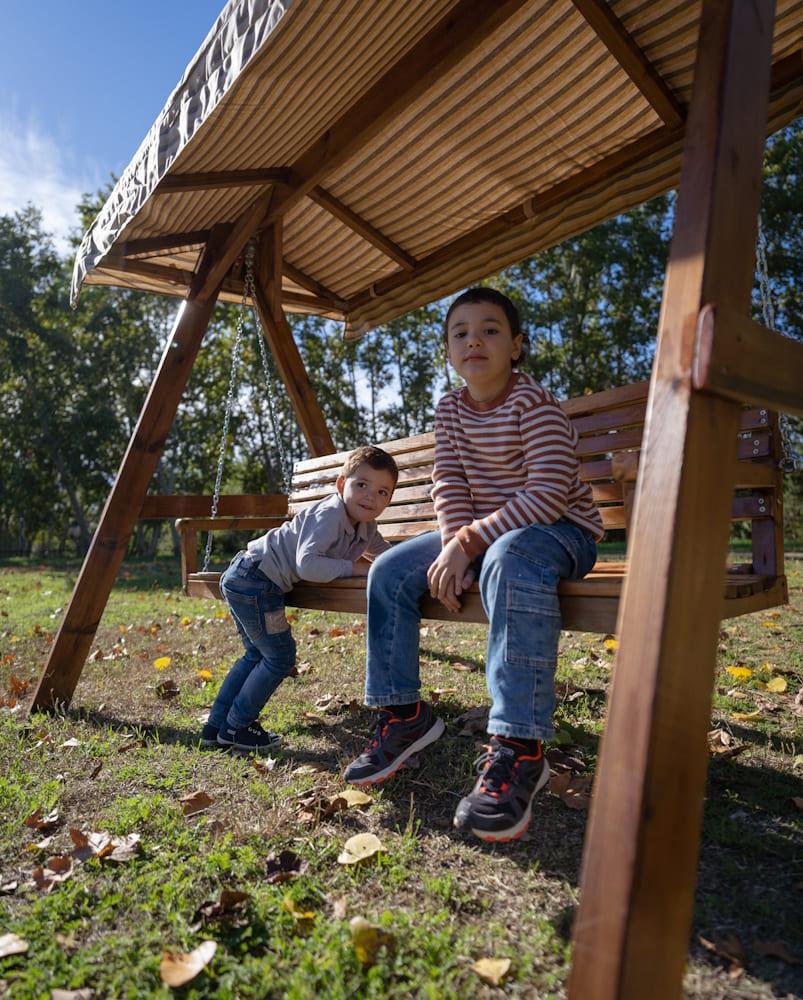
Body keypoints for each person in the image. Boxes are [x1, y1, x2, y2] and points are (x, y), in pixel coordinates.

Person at [344, 288, 603, 843]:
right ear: (447, 352)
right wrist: (451, 547)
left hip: (560, 534)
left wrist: (469, 542)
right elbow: (450, 484)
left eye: (489, 329)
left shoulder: (533, 405)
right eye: (460, 332)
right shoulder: (450, 410)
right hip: (486, 535)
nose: (473, 340)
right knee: (389, 571)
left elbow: (550, 494)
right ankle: (403, 714)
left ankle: (520, 746)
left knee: (510, 557)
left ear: (516, 346)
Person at [200, 445, 398, 754]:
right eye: (362, 485)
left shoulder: (365, 525)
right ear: (341, 484)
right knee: (279, 657)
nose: (371, 496)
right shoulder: (331, 514)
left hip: (248, 576)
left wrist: (410, 567)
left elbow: (384, 554)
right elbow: (309, 564)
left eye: (383, 491)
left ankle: (216, 727)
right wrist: (355, 567)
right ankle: (237, 727)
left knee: (256, 655)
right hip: (257, 581)